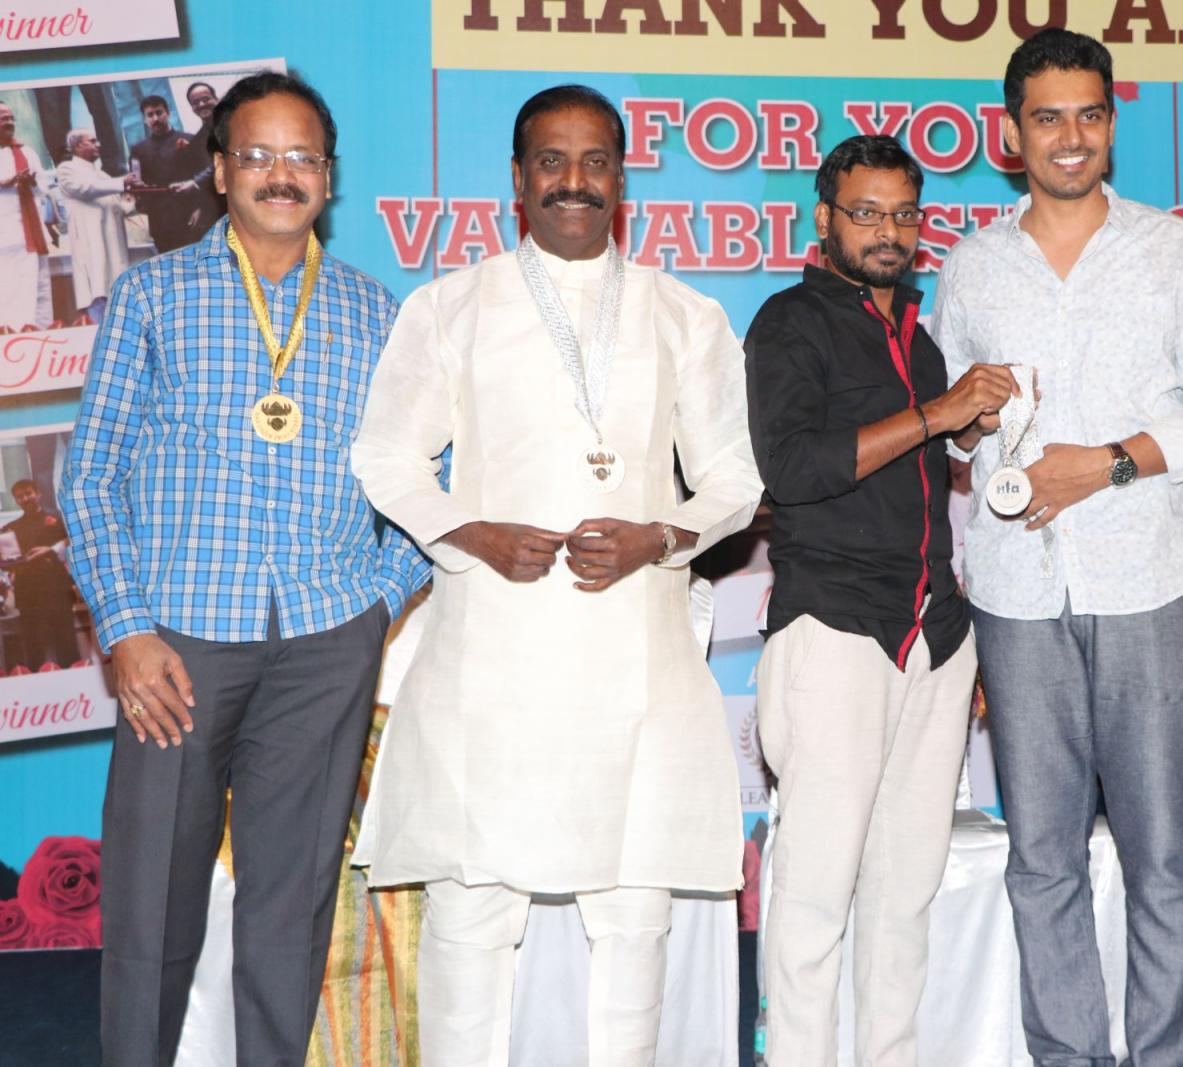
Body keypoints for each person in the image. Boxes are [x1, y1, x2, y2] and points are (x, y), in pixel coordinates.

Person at [349, 84, 763, 1065]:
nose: (572, 181)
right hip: (495, 650)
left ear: (621, 181)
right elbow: (386, 456)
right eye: (551, 161)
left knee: (634, 913)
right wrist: (471, 531)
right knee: (471, 910)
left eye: (594, 162)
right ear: (516, 178)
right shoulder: (449, 305)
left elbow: (736, 480)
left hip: (636, 652)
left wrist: (662, 535)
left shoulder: (686, 314)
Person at [59, 71, 430, 1067]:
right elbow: (88, 477)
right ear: (219, 171)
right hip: (177, 645)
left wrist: (373, 605)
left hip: (324, 643)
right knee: (153, 902)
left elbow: (428, 475)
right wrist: (126, 627)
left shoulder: (374, 312)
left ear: (329, 177)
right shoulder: (152, 294)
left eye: (302, 156)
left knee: (292, 903)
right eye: (257, 154)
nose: (280, 174)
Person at [932, 28, 1183, 1066]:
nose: (1070, 136)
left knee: (1165, 856)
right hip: (1015, 596)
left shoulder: (1173, 250)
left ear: (1112, 124)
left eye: (1088, 114)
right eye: (1047, 117)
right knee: (1042, 858)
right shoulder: (972, 267)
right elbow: (953, 438)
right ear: (1011, 133)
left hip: (1145, 582)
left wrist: (1113, 462)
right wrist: (967, 439)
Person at [745, 135, 1014, 1065]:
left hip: (934, 635)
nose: (887, 232)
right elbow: (791, 470)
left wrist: (967, 430)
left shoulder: (922, 341)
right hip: (835, 629)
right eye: (866, 213)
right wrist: (935, 415)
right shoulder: (790, 321)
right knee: (815, 897)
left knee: (905, 898)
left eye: (904, 214)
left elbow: (929, 473)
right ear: (825, 219)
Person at [56, 128, 136, 323]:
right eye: (92, 141)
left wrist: (131, 199)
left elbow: (116, 206)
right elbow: (83, 189)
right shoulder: (67, 169)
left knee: (116, 292)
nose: (98, 145)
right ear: (77, 146)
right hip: (90, 241)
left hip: (113, 243)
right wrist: (121, 182)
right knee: (97, 289)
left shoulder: (103, 175)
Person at [2, 478, 81, 670]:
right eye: (20, 496)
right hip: (28, 593)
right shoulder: (10, 529)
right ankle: (36, 684)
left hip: (57, 589)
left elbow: (76, 541)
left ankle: (74, 681)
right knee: (34, 645)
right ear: (16, 500)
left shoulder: (57, 520)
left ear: (38, 494)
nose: (25, 498)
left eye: (28, 493)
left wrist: (50, 550)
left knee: (66, 641)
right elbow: (6, 561)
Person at [0, 101, 56, 330]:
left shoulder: (27, 152)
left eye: (11, 118)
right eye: (3, 118)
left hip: (31, 233)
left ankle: (39, 331)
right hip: (5, 237)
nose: (9, 122)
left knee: (39, 287)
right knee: (10, 289)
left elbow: (43, 186)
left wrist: (31, 182)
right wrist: (5, 182)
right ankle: (11, 333)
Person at [128, 94, 196, 253]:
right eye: (150, 115)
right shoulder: (138, 150)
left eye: (159, 113)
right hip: (160, 220)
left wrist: (200, 208)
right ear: (144, 119)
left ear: (168, 113)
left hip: (190, 215)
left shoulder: (190, 140)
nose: (155, 118)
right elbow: (136, 183)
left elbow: (200, 177)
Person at [174, 82, 226, 244]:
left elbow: (224, 161)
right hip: (217, 211)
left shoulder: (231, 124)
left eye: (206, 99)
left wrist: (196, 182)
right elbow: (199, 169)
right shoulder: (196, 140)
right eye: (196, 102)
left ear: (216, 99)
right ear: (192, 108)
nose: (202, 104)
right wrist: (200, 206)